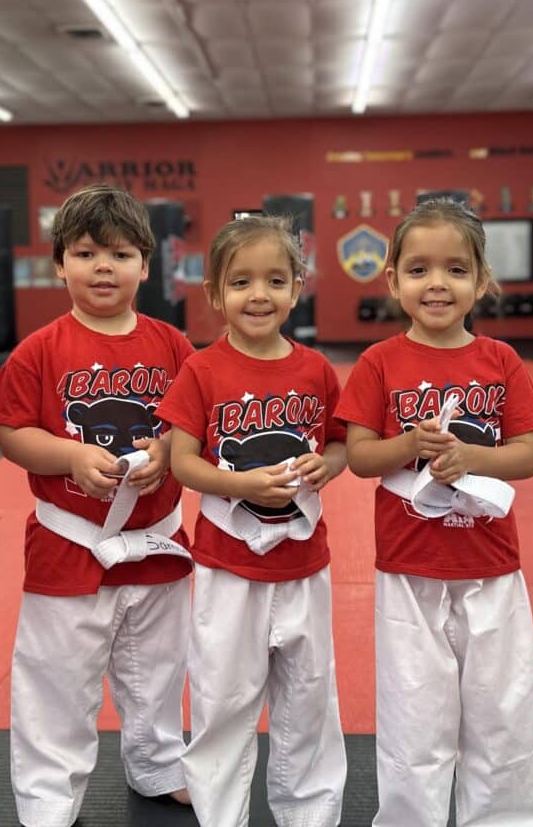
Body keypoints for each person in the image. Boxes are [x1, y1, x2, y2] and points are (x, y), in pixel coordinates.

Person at [0, 184, 194, 827]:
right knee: (56, 681)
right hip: (68, 542)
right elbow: (13, 435)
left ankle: (158, 764)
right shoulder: (40, 350)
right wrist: (71, 457)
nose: (104, 267)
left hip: (156, 541)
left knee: (158, 667)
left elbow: (196, 426)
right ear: (59, 264)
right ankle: (48, 798)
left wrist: (166, 448)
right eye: (87, 252)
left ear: (146, 266)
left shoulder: (174, 346)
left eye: (122, 253)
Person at [336, 197, 533, 827]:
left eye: (456, 269)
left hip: (492, 564)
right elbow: (360, 457)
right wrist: (410, 446)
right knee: (414, 710)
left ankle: (505, 817)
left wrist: (471, 457)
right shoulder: (379, 362)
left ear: (482, 280)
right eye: (420, 269)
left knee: (502, 709)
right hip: (410, 566)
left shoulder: (501, 361)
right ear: (393, 280)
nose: (437, 284)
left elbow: (530, 456)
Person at [157, 214, 348, 827]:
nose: (258, 295)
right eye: (240, 282)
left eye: (274, 280)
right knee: (222, 698)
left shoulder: (316, 370)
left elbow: (342, 444)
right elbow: (183, 463)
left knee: (310, 696)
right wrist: (239, 482)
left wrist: (328, 466)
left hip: (303, 561)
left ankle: (309, 814)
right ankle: (221, 815)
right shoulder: (202, 371)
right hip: (227, 565)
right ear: (214, 294)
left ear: (298, 287)